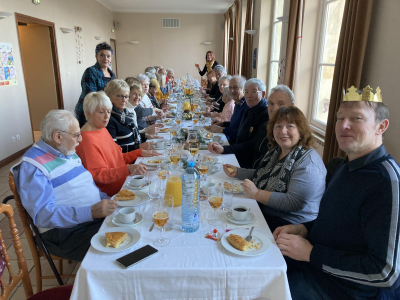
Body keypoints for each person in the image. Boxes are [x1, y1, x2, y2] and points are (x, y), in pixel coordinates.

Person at [273, 86, 400, 300]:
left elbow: (384, 273)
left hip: (343, 290)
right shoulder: (346, 165)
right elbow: (338, 223)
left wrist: (311, 253)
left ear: (381, 126)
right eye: (340, 118)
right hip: (316, 267)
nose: (344, 126)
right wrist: (304, 229)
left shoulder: (386, 182)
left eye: (356, 118)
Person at [11, 110, 118, 261]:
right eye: (76, 135)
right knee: (119, 250)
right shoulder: (33, 167)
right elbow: (43, 215)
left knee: (133, 225)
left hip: (89, 221)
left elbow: (87, 186)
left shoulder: (66, 151)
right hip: (63, 234)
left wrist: (113, 201)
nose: (80, 139)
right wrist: (90, 212)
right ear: (58, 136)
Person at [223, 106, 326, 232]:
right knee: (225, 210)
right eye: (278, 126)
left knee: (230, 226)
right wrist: (239, 172)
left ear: (301, 131)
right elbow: (264, 173)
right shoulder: (277, 150)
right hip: (267, 209)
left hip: (290, 223)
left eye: (290, 126)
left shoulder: (308, 163)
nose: (283, 131)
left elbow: (293, 202)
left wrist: (256, 194)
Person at [76, 92, 161, 197]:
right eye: (102, 112)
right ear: (89, 113)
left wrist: (139, 152)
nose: (107, 116)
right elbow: (99, 175)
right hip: (112, 192)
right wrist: (128, 169)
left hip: (123, 181)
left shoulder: (101, 129)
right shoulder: (86, 140)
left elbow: (118, 158)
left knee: (159, 176)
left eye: (109, 111)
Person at [209, 84, 294, 168]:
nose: (274, 108)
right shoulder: (266, 125)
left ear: (291, 106)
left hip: (251, 170)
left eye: (280, 104)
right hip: (251, 170)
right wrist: (224, 149)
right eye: (271, 103)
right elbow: (251, 145)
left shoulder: (291, 136)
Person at [103, 79, 155, 152]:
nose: (124, 100)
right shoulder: (108, 119)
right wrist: (138, 147)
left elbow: (131, 137)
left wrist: (145, 136)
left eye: (126, 96)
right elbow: (114, 150)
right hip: (129, 160)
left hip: (137, 154)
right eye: (120, 96)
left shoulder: (126, 113)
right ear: (108, 95)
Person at [75, 42, 116, 127]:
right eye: (102, 55)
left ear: (111, 58)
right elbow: (91, 96)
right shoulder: (90, 71)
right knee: (88, 136)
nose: (105, 58)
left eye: (108, 56)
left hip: (104, 111)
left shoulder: (112, 74)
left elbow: (115, 93)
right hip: (89, 111)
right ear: (96, 56)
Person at [210, 75, 248, 144]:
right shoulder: (238, 103)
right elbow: (235, 124)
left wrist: (222, 129)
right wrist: (222, 124)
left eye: (235, 87)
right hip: (230, 140)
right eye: (230, 87)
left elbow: (241, 133)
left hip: (235, 145)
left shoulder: (246, 107)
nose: (232, 90)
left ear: (244, 89)